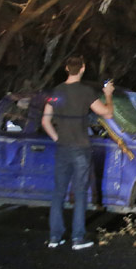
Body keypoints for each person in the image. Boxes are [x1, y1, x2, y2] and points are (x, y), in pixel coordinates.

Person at [41, 56, 114, 250]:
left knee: (58, 193)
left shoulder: (56, 92)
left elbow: (45, 121)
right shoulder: (86, 92)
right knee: (80, 192)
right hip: (80, 148)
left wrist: (57, 138)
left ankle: (55, 237)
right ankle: (77, 238)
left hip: (62, 147)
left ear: (66, 68)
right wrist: (108, 94)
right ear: (82, 68)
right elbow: (107, 113)